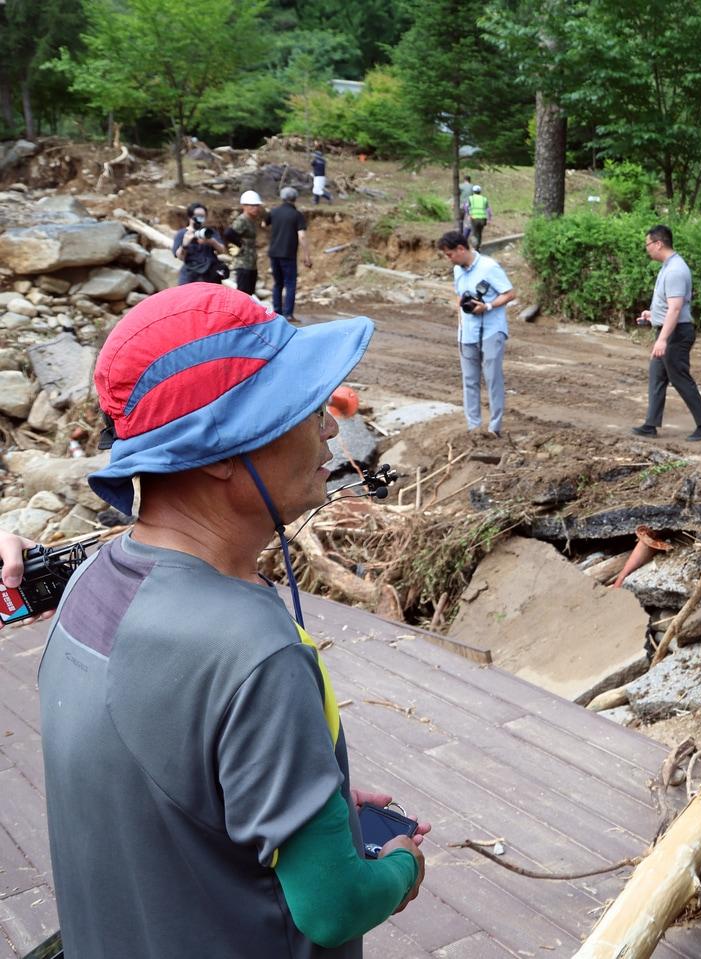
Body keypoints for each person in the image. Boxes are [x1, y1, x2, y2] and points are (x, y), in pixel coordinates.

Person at [38, 284, 429, 957]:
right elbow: (334, 907)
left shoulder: (86, 588)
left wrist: (301, 793)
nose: (330, 427)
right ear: (219, 449)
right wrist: (402, 866)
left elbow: (162, 783)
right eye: (305, 406)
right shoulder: (253, 650)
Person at [632, 225, 701, 441]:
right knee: (656, 377)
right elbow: (670, 305)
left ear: (658, 243)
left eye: (648, 244)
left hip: (677, 334)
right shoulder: (669, 266)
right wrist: (653, 315)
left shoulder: (676, 269)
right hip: (670, 329)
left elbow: (676, 308)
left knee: (680, 378)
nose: (647, 248)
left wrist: (662, 339)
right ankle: (650, 424)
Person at [436, 230, 516, 436]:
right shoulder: (458, 270)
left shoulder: (489, 267)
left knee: (492, 378)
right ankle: (474, 427)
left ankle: (494, 427)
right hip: (468, 332)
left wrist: (487, 306)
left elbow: (510, 293)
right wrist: (460, 322)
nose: (449, 259)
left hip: (492, 330)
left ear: (461, 249)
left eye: (450, 254)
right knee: (469, 380)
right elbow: (459, 296)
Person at [265, 186, 311, 323]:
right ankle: (288, 314)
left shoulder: (274, 212)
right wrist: (307, 256)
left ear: (282, 197)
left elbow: (263, 224)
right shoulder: (297, 215)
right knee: (290, 283)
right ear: (295, 198)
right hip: (288, 254)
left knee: (277, 283)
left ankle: (277, 312)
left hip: (274, 253)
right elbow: (302, 236)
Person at [173, 201, 228, 286]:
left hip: (210, 274)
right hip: (191, 275)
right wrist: (185, 245)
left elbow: (222, 250)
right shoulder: (182, 233)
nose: (200, 218)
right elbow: (180, 257)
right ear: (190, 216)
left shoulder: (209, 232)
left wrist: (211, 241)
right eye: (197, 216)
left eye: (202, 216)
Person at [228, 190, 264, 296]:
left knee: (250, 293)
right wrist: (240, 245)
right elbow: (229, 233)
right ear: (244, 206)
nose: (256, 208)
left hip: (251, 262)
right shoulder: (242, 220)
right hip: (243, 263)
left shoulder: (251, 220)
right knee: (243, 293)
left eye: (257, 205)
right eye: (252, 206)